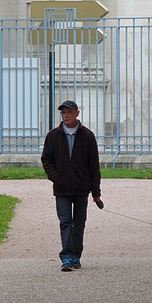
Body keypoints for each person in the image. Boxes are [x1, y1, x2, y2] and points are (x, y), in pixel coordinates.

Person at [41, 100, 102, 272]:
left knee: (79, 222)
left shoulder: (88, 136)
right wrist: (55, 177)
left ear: (77, 113)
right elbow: (46, 160)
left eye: (69, 112)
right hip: (61, 188)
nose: (66, 115)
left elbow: (94, 166)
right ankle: (66, 257)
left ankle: (76, 256)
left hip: (82, 188)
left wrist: (96, 192)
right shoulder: (53, 136)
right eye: (63, 113)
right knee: (65, 221)